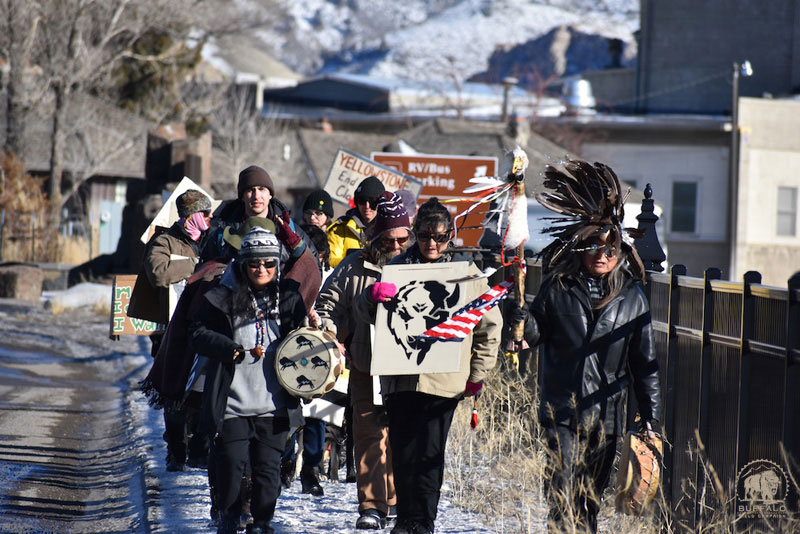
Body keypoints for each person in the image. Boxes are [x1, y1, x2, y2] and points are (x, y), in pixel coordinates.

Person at [509, 159, 662, 534]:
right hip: (561, 410)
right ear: (581, 247)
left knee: (589, 502)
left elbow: (645, 364)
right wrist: (519, 318)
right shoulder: (558, 287)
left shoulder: (632, 299)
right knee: (561, 494)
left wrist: (650, 418)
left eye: (610, 248)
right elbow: (533, 334)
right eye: (593, 246)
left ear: (620, 252)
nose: (601, 255)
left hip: (605, 417)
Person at [375, 198, 501, 534]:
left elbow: (490, 326)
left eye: (440, 237)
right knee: (402, 452)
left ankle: (423, 521)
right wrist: (372, 298)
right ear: (415, 234)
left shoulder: (466, 274)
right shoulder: (396, 269)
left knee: (429, 453)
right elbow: (369, 318)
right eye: (425, 236)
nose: (432, 243)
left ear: (450, 237)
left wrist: (477, 374)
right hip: (400, 377)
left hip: (444, 381)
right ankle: (405, 519)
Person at [190, 226, 307, 534]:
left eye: (269, 263)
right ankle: (228, 520)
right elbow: (197, 334)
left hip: (275, 404)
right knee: (231, 467)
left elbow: (304, 341)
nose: (261, 269)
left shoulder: (289, 298)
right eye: (254, 263)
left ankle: (262, 523)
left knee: (268, 472)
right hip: (232, 403)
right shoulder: (221, 297)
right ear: (243, 264)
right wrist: (226, 348)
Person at [316, 192, 412, 529]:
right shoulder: (353, 266)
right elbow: (326, 307)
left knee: (401, 435)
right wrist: (331, 334)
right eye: (389, 239)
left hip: (409, 369)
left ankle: (397, 499)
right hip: (366, 364)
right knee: (369, 435)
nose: (397, 246)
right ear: (376, 236)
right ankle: (372, 506)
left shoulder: (419, 266)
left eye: (403, 239)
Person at [128, 188, 213, 472]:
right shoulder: (165, 241)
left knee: (201, 390)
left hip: (202, 326)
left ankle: (199, 448)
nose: (208, 219)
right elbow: (158, 272)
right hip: (169, 330)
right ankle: (176, 452)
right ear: (191, 215)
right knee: (173, 393)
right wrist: (198, 266)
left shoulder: (211, 240)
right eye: (204, 213)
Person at [202, 165, 321, 313]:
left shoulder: (290, 229)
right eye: (250, 190)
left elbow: (313, 269)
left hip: (280, 310)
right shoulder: (222, 232)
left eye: (262, 189)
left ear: (270, 194)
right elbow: (204, 272)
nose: (256, 196)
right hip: (233, 310)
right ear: (242, 196)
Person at [327, 175, 385, 268]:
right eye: (362, 201)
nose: (367, 206)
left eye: (373, 201)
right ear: (356, 202)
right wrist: (356, 263)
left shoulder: (389, 230)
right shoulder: (339, 228)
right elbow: (331, 260)